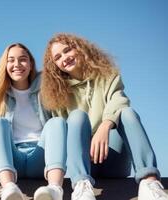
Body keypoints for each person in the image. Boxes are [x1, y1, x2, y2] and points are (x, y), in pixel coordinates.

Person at [40, 33, 168, 200]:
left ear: (80, 48)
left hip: (114, 159)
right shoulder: (56, 94)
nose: (65, 58)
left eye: (67, 50)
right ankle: (81, 186)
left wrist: (105, 126)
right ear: (55, 65)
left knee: (127, 112)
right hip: (83, 163)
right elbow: (55, 133)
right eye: (58, 57)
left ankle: (149, 182)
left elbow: (119, 100)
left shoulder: (107, 74)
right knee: (77, 116)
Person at [0, 42, 77, 200]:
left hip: (40, 157)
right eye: (11, 60)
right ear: (5, 65)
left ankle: (55, 188)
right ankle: (9, 188)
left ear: (31, 63)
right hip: (13, 160)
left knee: (56, 122)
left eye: (23, 59)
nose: (17, 64)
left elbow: (64, 75)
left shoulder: (46, 86)